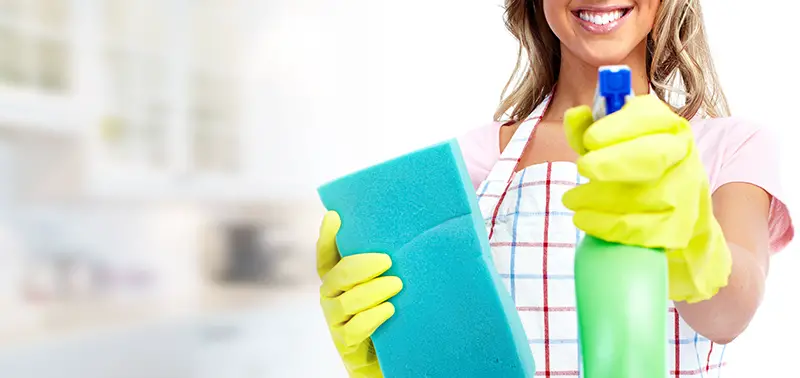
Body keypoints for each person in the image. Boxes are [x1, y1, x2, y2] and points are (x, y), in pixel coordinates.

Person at [315, 0, 795, 376]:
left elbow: (731, 314)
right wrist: (399, 354)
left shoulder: (728, 145)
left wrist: (692, 237)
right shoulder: (467, 164)